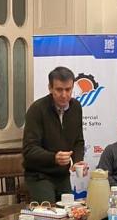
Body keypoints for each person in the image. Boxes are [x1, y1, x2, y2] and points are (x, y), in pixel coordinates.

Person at [22, 66, 87, 202]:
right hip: (39, 175)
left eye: (68, 89)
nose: (64, 95)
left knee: (69, 211)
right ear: (50, 88)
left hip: (62, 175)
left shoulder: (76, 107)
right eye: (59, 90)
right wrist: (54, 157)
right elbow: (29, 149)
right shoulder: (37, 109)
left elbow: (78, 141)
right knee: (49, 211)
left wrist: (78, 161)